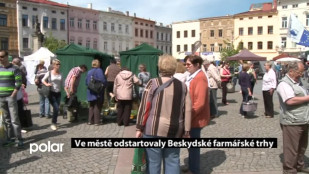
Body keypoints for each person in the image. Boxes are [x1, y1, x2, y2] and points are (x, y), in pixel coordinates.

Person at [136, 54, 191, 174]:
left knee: (153, 161)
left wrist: (139, 127)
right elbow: (187, 109)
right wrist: (187, 131)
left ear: (160, 66)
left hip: (153, 128)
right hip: (175, 128)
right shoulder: (182, 86)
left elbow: (144, 106)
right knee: (172, 160)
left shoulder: (153, 83)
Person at [276, 61, 309, 174]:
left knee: (302, 146)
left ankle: (299, 165)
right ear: (291, 71)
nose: (302, 74)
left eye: (302, 71)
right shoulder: (284, 84)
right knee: (291, 149)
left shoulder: (298, 82)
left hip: (303, 119)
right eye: (300, 72)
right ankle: (289, 170)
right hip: (291, 121)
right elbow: (290, 100)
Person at [184, 55, 210, 174]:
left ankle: (194, 170)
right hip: (192, 116)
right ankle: (191, 167)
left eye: (188, 64)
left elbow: (199, 103)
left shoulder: (200, 78)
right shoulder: (193, 76)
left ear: (197, 65)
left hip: (195, 118)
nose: (186, 66)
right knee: (190, 145)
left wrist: (188, 118)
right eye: (185, 64)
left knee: (193, 146)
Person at [0, 50, 23, 148]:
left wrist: (13, 94)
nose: (0, 58)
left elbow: (18, 82)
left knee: (14, 119)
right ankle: (10, 138)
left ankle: (19, 139)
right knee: (6, 119)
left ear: (6, 56)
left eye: (1, 56)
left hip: (10, 97)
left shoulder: (14, 68)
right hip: (1, 97)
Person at [42, 59, 63, 131]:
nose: (58, 66)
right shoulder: (49, 73)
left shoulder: (60, 74)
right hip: (51, 93)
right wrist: (47, 84)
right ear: (53, 65)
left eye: (59, 64)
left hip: (58, 93)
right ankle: (53, 123)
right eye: (57, 64)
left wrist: (67, 90)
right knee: (56, 108)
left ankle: (55, 122)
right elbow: (43, 80)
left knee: (56, 109)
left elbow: (62, 83)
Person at [86, 60, 107, 125]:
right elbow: (103, 80)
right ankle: (96, 121)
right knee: (97, 106)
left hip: (90, 91)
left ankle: (90, 121)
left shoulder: (89, 71)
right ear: (98, 64)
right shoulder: (99, 70)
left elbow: (86, 82)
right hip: (97, 91)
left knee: (91, 106)